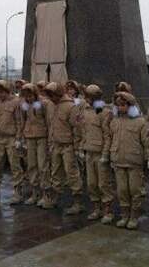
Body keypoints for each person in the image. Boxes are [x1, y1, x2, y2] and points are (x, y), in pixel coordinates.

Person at [109, 91, 149, 229]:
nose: (120, 107)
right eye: (118, 105)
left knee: (135, 190)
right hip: (118, 160)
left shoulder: (141, 122)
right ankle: (125, 215)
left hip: (134, 161)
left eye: (123, 105)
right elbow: (111, 139)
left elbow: (148, 141)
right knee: (122, 190)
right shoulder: (115, 121)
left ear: (130, 105)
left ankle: (134, 216)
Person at [45, 82, 84, 215]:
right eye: (49, 95)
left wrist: (77, 147)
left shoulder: (71, 106)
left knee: (72, 173)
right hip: (55, 144)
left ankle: (77, 202)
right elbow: (50, 125)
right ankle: (54, 198)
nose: (51, 98)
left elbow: (77, 128)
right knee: (55, 172)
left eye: (53, 95)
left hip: (68, 145)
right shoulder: (50, 105)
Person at [80, 85, 115, 223]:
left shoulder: (105, 112)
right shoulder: (85, 110)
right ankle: (96, 208)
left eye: (88, 97)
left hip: (100, 152)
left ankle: (108, 210)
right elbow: (84, 131)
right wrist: (82, 147)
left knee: (103, 183)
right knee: (91, 183)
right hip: (89, 151)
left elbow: (107, 135)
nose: (86, 99)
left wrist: (106, 154)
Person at [0, 80, 24, 203]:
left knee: (15, 166)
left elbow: (19, 121)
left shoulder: (16, 102)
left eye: (2, 92)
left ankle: (17, 192)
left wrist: (19, 138)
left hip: (11, 138)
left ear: (8, 91)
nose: (0, 94)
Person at [19, 83, 52, 208]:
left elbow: (48, 121)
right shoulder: (24, 104)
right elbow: (22, 120)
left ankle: (46, 194)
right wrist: (21, 137)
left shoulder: (43, 103)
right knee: (31, 165)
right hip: (29, 137)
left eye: (30, 95)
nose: (29, 98)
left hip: (42, 136)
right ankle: (35, 192)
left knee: (43, 165)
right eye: (26, 96)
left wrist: (50, 138)